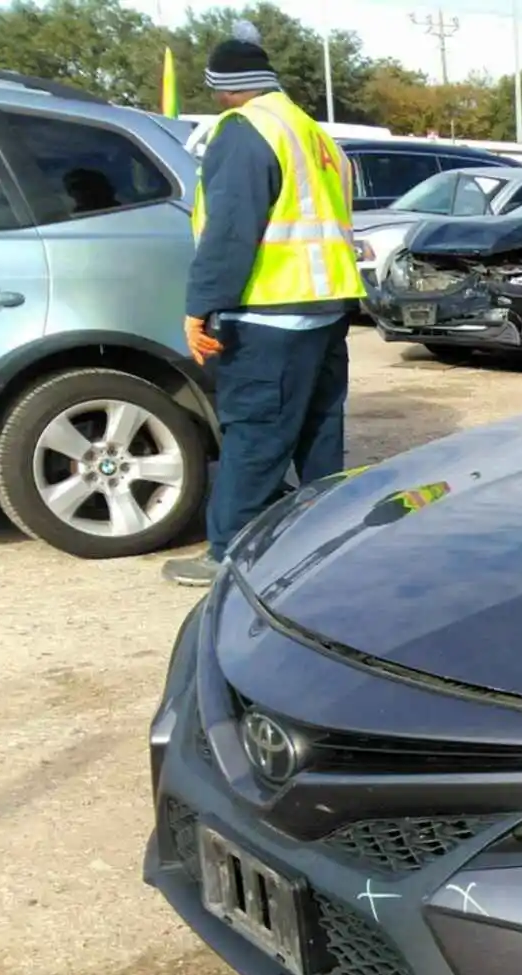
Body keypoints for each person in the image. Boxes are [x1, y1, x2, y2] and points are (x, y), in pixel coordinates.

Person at [163, 21, 365, 587]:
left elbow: (231, 231)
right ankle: (322, 541)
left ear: (226, 88)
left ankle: (228, 555)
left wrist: (200, 305)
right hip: (325, 306)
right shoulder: (314, 133)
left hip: (269, 310)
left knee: (256, 431)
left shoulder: (243, 129)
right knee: (319, 431)